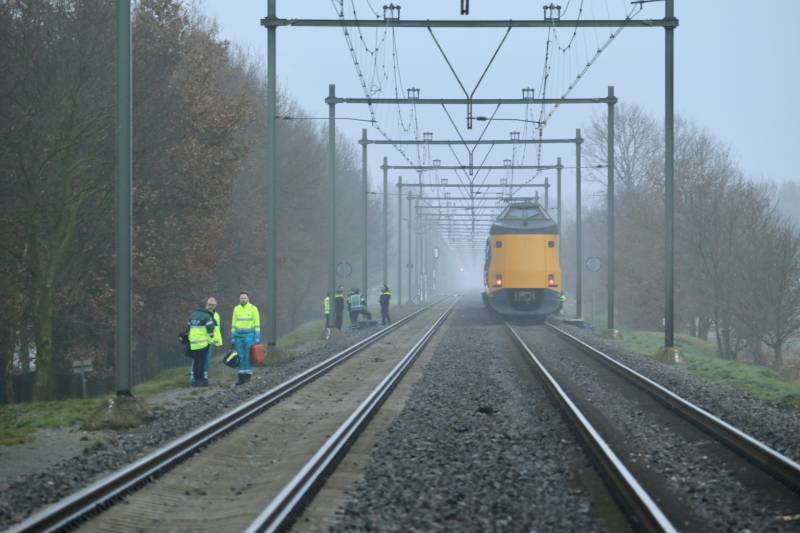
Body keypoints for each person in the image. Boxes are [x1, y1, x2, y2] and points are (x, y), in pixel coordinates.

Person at [231, 291, 260, 386]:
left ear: (248, 299)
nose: (242, 299)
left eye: (244, 298)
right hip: (238, 335)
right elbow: (233, 324)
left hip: (249, 335)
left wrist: (257, 336)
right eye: (241, 298)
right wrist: (232, 336)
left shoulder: (253, 308)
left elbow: (257, 324)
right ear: (239, 299)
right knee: (240, 356)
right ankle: (241, 377)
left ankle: (247, 376)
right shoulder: (236, 309)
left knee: (248, 356)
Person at [185, 304, 216, 387]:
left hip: (193, 343)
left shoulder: (192, 315)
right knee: (202, 362)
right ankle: (201, 380)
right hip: (203, 343)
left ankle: (195, 381)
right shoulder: (207, 316)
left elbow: (187, 328)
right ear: (205, 306)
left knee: (196, 361)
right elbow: (210, 329)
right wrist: (212, 336)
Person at [203, 297, 223, 383]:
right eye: (209, 304)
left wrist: (217, 340)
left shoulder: (216, 315)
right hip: (202, 340)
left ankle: (205, 376)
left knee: (207, 359)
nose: (210, 306)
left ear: (215, 305)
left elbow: (217, 328)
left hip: (211, 340)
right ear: (206, 305)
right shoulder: (203, 314)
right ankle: (199, 377)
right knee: (200, 359)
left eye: (212, 305)